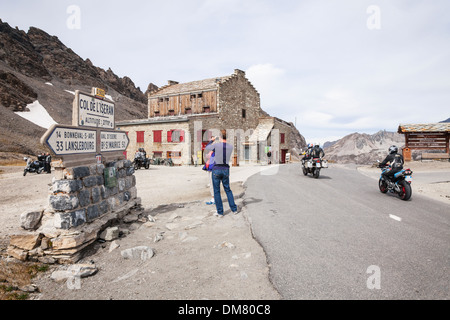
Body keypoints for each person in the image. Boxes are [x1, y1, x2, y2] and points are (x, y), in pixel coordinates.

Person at [205, 130, 238, 218]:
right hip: (226, 169)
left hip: (216, 169)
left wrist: (212, 140)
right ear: (227, 137)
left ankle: (220, 212)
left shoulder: (216, 145)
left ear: (219, 137)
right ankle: (234, 209)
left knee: (217, 191)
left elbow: (207, 147)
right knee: (228, 189)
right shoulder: (230, 147)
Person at [203, 137, 217, 205]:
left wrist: (212, 140)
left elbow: (207, 147)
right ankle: (214, 198)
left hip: (212, 169)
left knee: (212, 184)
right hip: (211, 168)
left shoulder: (216, 149)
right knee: (213, 184)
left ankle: (214, 199)